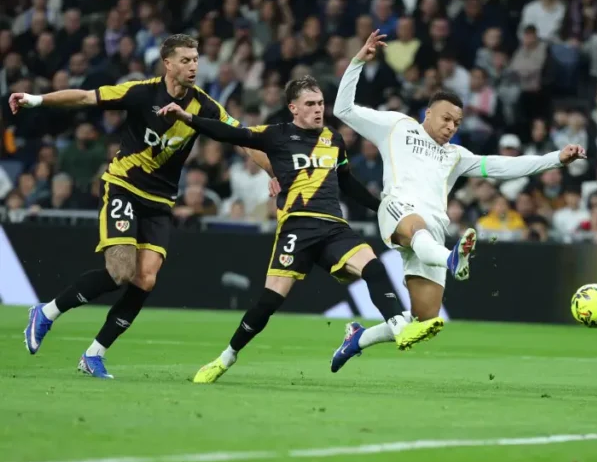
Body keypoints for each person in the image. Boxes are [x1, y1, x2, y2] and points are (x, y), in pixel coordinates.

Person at [14, 34, 272, 379]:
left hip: (160, 201)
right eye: (185, 60)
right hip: (124, 187)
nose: (193, 66)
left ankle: (94, 354)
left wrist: (274, 174)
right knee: (120, 271)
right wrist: (36, 99)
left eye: (196, 59)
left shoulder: (205, 106)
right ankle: (46, 312)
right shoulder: (141, 93)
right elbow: (87, 96)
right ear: (168, 63)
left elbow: (244, 139)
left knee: (146, 279)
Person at [330, 31, 586, 370]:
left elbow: (503, 166)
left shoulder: (456, 156)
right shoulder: (396, 126)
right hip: (396, 210)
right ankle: (452, 258)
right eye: (446, 119)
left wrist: (556, 159)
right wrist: (358, 62)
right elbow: (343, 109)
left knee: (424, 321)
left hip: (433, 230)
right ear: (428, 114)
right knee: (417, 228)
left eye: (457, 123)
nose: (451, 127)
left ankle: (357, 338)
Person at [157, 75, 428, 383]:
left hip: (333, 227)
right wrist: (188, 118)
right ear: (293, 108)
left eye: (321, 103)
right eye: (310, 104)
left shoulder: (333, 139)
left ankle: (399, 326)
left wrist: (381, 207)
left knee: (374, 268)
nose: (318, 109)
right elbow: (232, 134)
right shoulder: (277, 135)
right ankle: (226, 357)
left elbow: (347, 183)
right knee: (269, 302)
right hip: (297, 228)